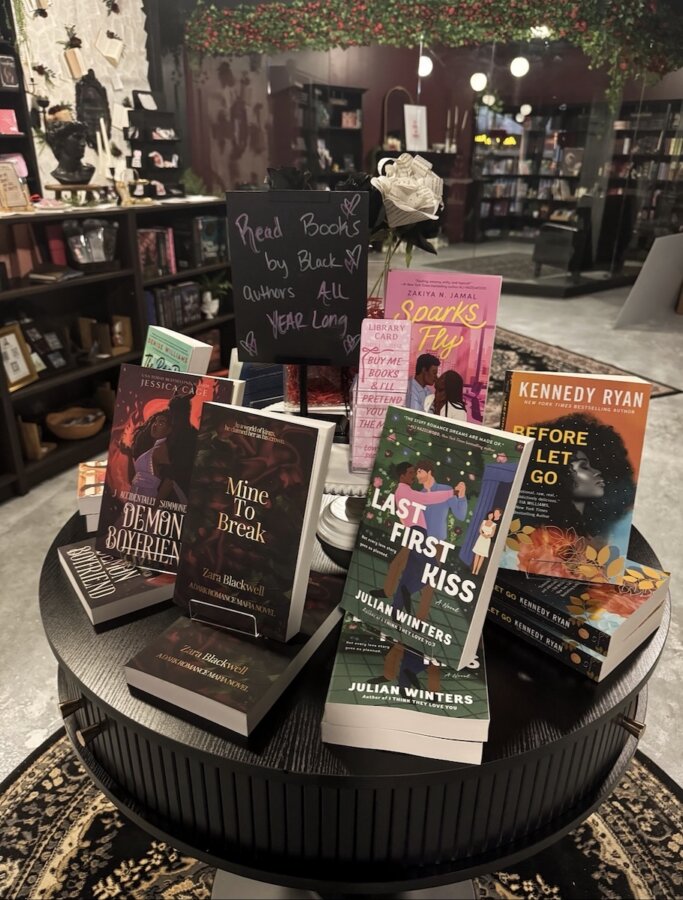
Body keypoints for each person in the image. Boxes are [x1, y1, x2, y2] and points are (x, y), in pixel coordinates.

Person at [392, 459, 468, 619]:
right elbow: (422, 503)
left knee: (428, 581)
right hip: (420, 538)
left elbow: (460, 515)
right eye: (414, 472)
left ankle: (417, 618)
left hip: (437, 543)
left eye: (418, 471)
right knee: (414, 574)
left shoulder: (444, 489)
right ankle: (398, 607)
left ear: (429, 472)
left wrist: (461, 497)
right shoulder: (416, 492)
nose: (416, 475)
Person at [120, 410, 173, 501]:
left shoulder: (160, 449)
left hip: (146, 501)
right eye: (155, 421)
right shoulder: (152, 450)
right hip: (136, 500)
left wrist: (154, 505)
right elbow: (133, 480)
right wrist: (129, 455)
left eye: (161, 423)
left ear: (169, 430)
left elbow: (170, 481)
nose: (155, 425)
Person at [471, 508, 501, 576]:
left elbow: (492, 534)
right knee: (477, 554)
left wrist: (487, 536)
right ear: (488, 515)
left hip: (487, 541)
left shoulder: (494, 525)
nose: (490, 516)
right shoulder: (484, 521)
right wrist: (483, 534)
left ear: (493, 516)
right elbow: (480, 530)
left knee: (482, 556)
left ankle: (477, 571)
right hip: (480, 539)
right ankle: (473, 570)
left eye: (492, 515)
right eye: (489, 515)